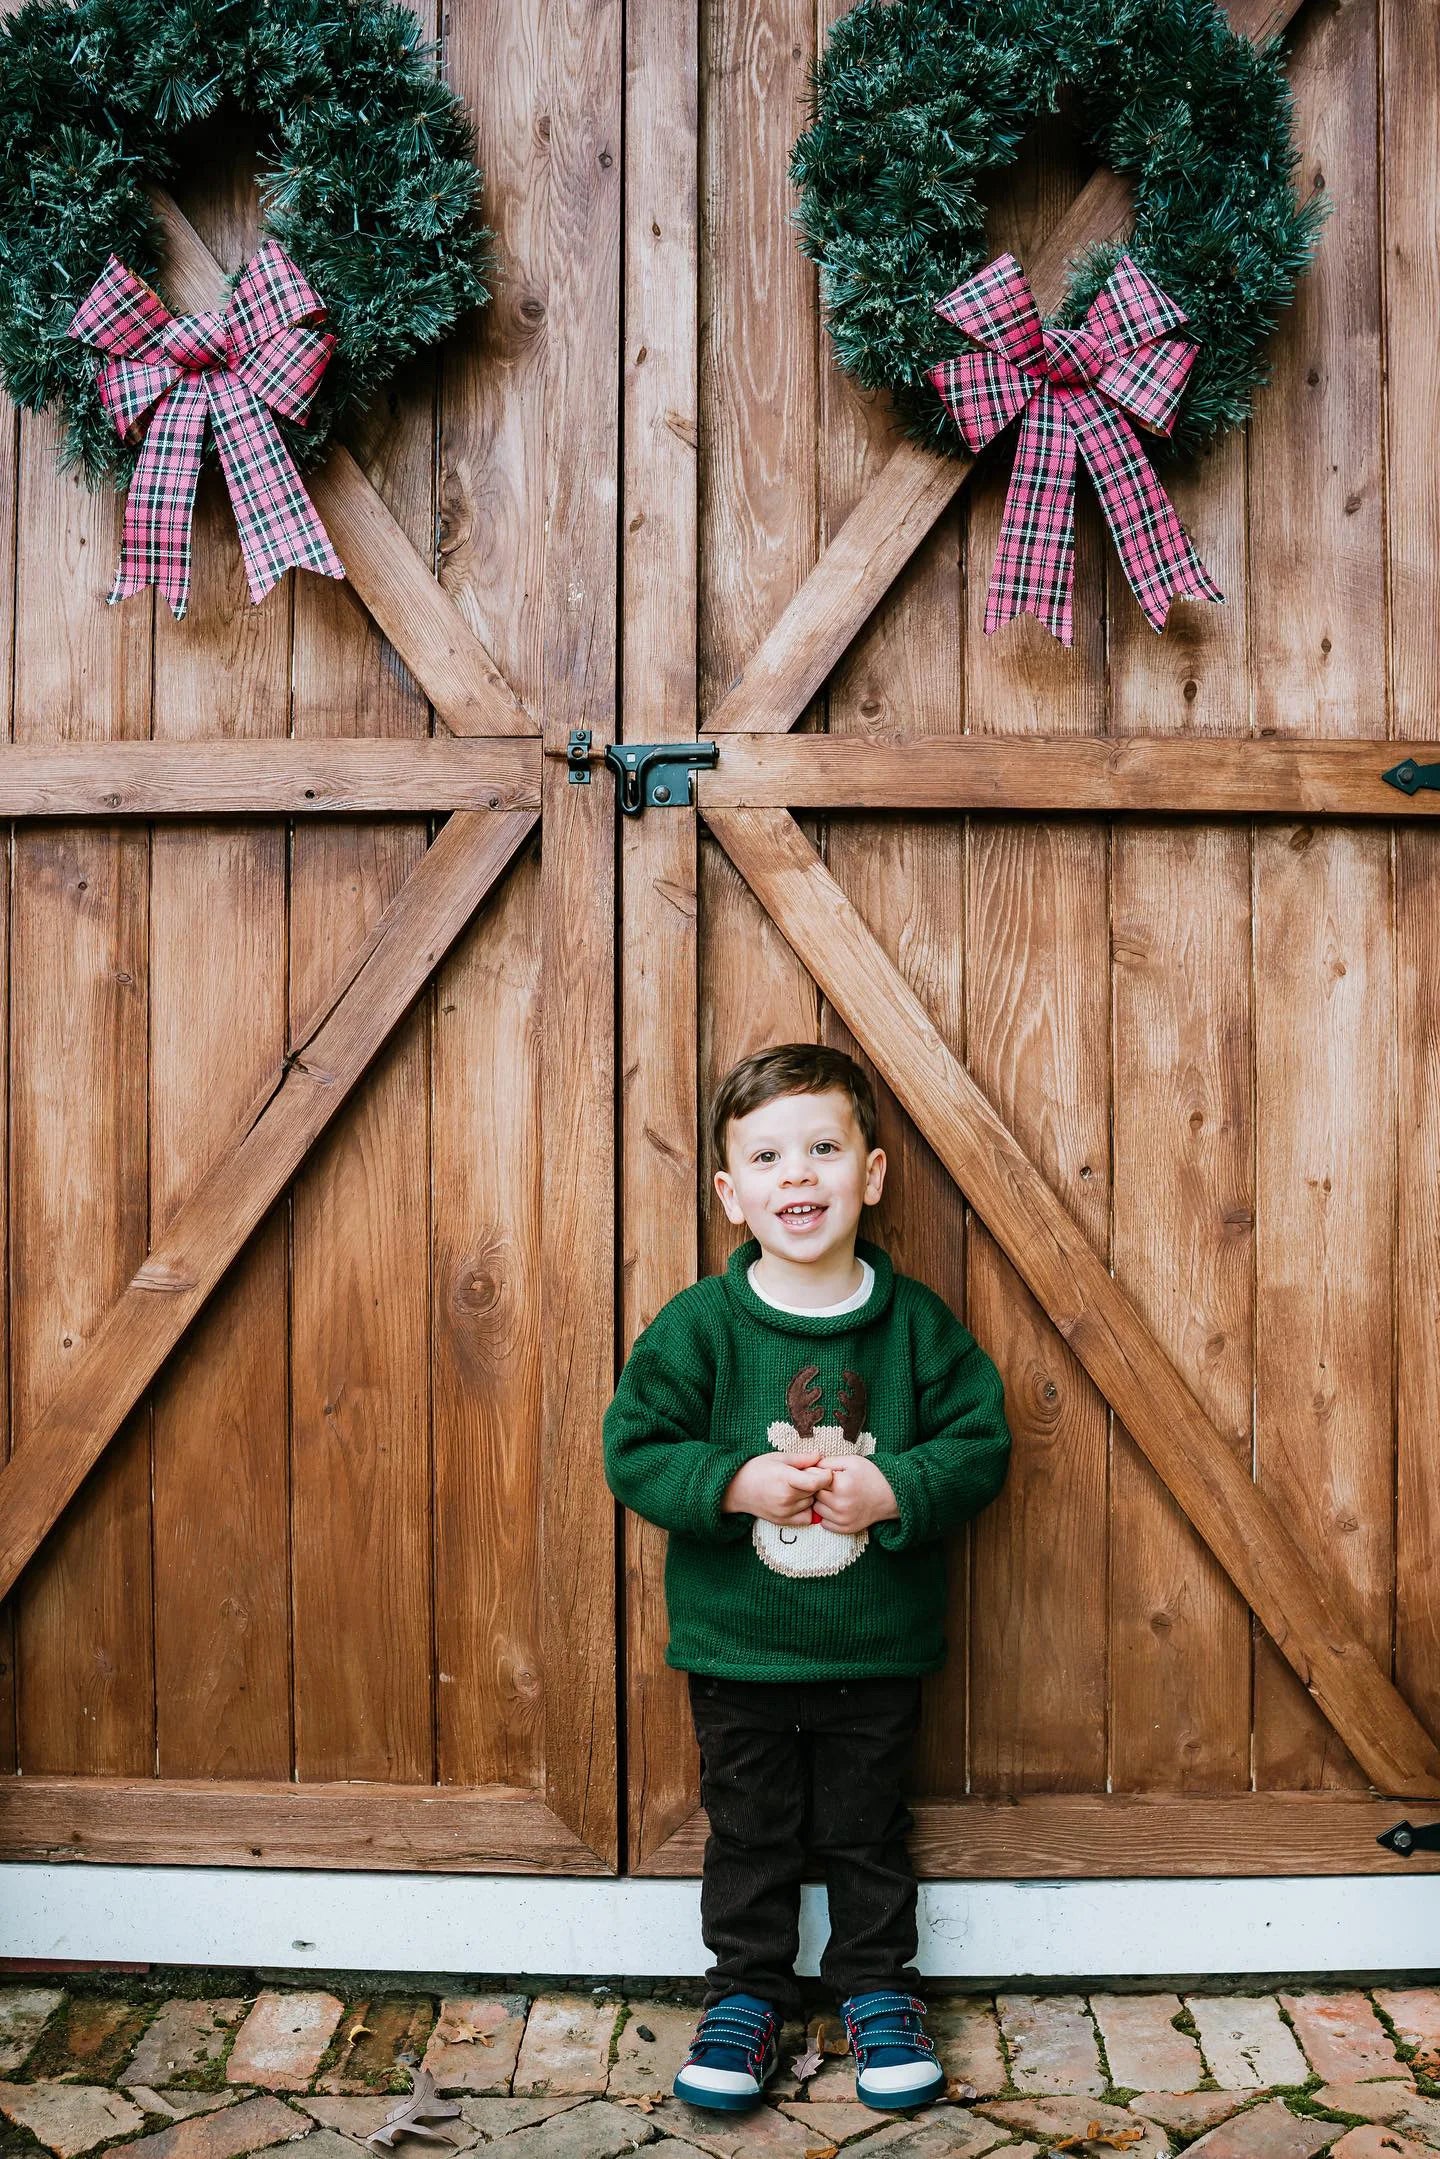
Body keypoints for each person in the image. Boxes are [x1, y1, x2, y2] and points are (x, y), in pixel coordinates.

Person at [602, 1041, 1012, 2117]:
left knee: (870, 1831)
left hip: (875, 1645)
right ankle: (747, 1995)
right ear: (733, 1194)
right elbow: (634, 1445)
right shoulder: (701, 1325)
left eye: (824, 1148)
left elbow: (979, 1442)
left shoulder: (915, 1322)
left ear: (869, 1174)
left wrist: (894, 1490)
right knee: (750, 1831)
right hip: (738, 1648)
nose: (800, 1174)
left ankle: (879, 1988)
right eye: (770, 1156)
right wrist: (735, 1479)